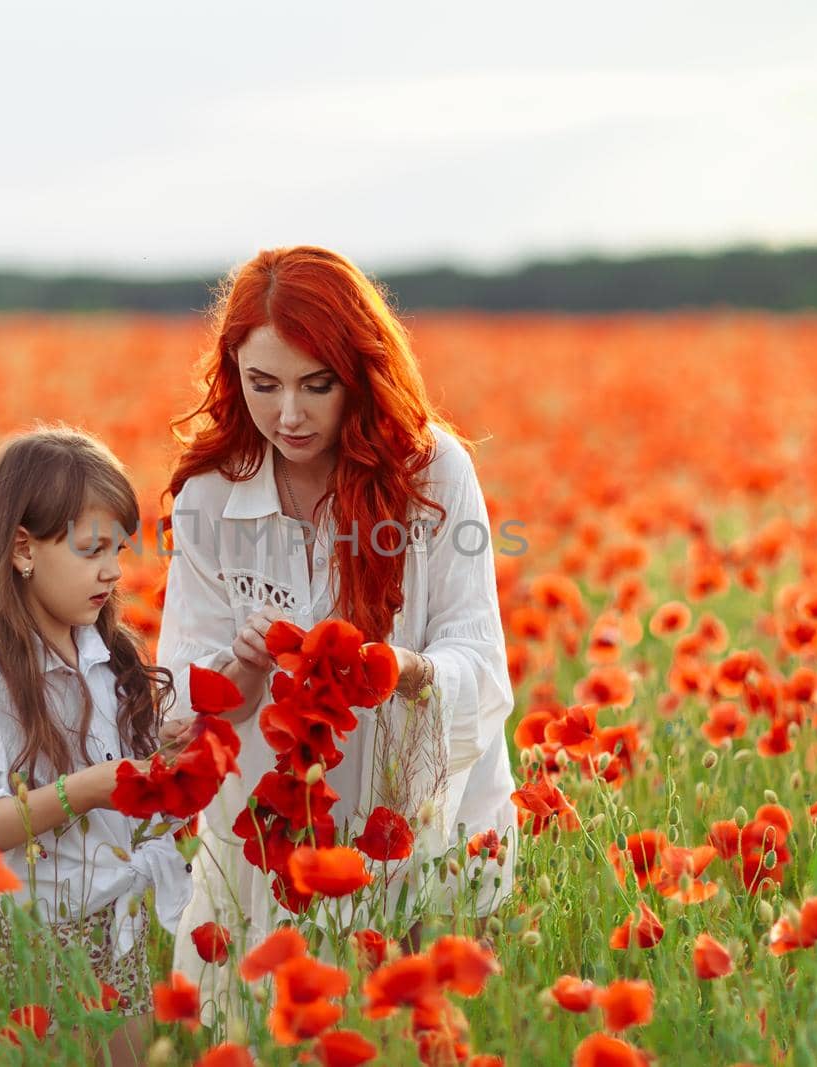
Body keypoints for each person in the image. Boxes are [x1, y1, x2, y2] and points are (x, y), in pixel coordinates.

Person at [156, 246, 519, 1014]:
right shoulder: (209, 496)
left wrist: (405, 670)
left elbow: (480, 663)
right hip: (268, 843)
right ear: (233, 374)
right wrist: (241, 669)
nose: (289, 413)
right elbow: (177, 702)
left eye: (317, 385)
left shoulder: (432, 472)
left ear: (360, 372)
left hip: (418, 827)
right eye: (264, 384)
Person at [0, 427, 190, 1067]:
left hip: (116, 929)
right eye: (92, 549)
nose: (113, 570)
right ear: (23, 550)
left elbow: (134, 811)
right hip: (26, 942)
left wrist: (166, 765)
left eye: (118, 549)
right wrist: (90, 788)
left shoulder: (108, 653)